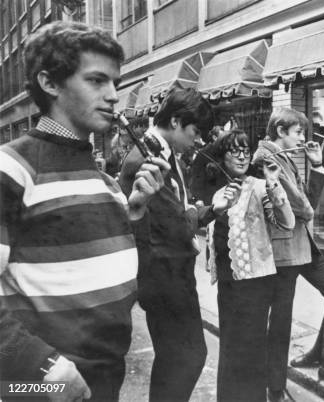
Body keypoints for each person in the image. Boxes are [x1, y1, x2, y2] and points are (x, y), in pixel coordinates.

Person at [0, 21, 167, 401]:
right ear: (50, 83)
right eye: (96, 81)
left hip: (103, 378)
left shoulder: (103, 180)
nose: (112, 96)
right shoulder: (11, 168)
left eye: (115, 84)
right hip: (40, 385)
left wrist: (136, 213)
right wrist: (41, 366)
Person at [252, 108, 324, 402]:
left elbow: (305, 203)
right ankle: (275, 389)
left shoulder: (282, 158)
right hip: (285, 252)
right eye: (298, 132)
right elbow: (305, 209)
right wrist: (306, 204)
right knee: (280, 324)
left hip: (303, 246)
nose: (302, 138)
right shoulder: (266, 158)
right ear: (280, 130)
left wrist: (317, 165)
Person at [119, 87, 214, 402]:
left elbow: (180, 211)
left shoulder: (163, 153)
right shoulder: (144, 160)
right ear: (176, 121)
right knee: (187, 358)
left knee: (177, 360)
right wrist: (200, 211)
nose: (197, 139)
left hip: (174, 274)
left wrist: (192, 211)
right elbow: (176, 225)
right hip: (164, 277)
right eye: (195, 130)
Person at [204, 129, 294, 401]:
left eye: (246, 151)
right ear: (223, 155)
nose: (243, 156)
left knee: (251, 350)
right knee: (230, 347)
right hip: (229, 285)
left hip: (255, 284)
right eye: (235, 151)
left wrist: (274, 184)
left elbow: (286, 221)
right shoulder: (219, 192)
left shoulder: (258, 186)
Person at [190, 125, 226, 204]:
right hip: (207, 198)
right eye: (222, 138)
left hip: (221, 196)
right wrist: (199, 198)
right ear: (214, 138)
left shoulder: (223, 152)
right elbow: (196, 177)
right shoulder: (203, 153)